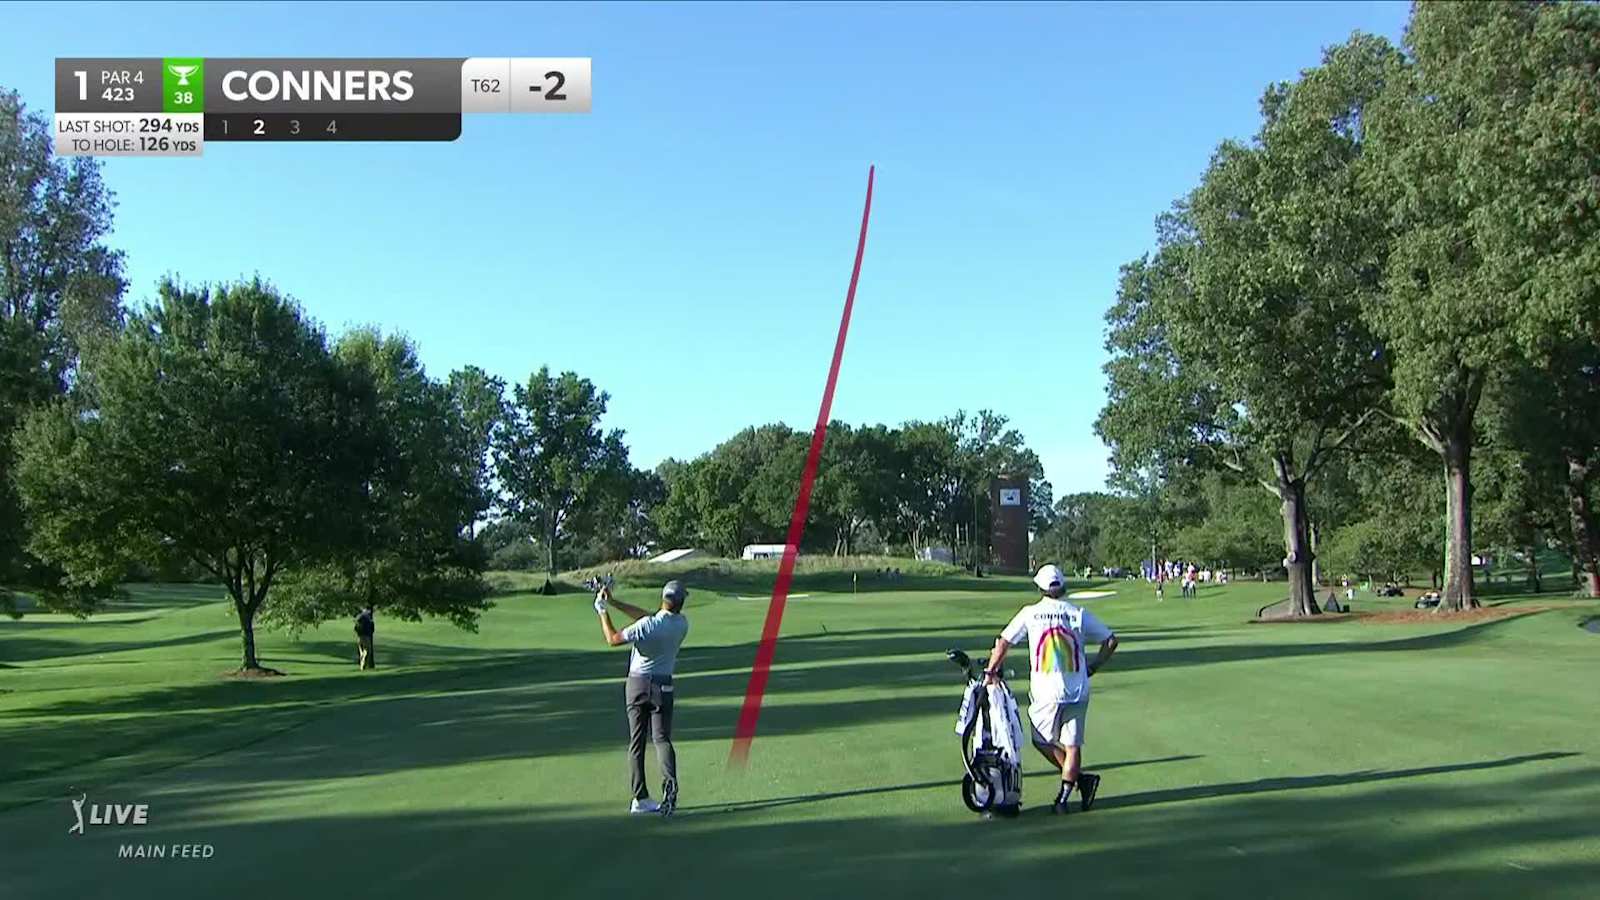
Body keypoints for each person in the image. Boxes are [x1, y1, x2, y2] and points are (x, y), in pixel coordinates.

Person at [984, 564, 1120, 814]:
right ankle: (1065, 797)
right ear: (1063, 586)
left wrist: (990, 672)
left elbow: (1003, 642)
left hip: (1046, 691)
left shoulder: (1030, 613)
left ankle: (1079, 781)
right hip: (1078, 688)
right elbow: (1111, 640)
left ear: (1040, 587)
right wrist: (1094, 666)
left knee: (1041, 741)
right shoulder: (1077, 612)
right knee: (1073, 745)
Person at [596, 579, 691, 816]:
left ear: (663, 598)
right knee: (662, 739)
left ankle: (640, 798)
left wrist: (602, 610)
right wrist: (615, 601)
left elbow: (612, 639)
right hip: (663, 686)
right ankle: (670, 788)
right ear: (679, 603)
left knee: (636, 742)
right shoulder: (681, 624)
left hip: (636, 685)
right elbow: (648, 617)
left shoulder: (647, 626)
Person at [353, 605, 375, 670]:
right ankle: (362, 658)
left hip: (360, 636)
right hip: (366, 636)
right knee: (367, 650)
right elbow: (372, 628)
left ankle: (362, 666)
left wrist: (358, 632)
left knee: (361, 649)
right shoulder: (368, 618)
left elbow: (355, 627)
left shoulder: (359, 617)